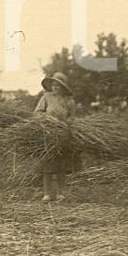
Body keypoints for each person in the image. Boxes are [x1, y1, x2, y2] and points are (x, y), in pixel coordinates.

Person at [34, 72, 77, 202]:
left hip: (63, 133)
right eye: (53, 85)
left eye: (58, 85)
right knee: (48, 164)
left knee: (61, 165)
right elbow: (37, 113)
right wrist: (46, 120)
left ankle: (60, 193)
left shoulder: (69, 101)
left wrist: (66, 123)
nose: (55, 87)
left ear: (63, 87)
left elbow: (72, 117)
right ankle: (47, 193)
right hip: (48, 133)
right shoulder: (46, 98)